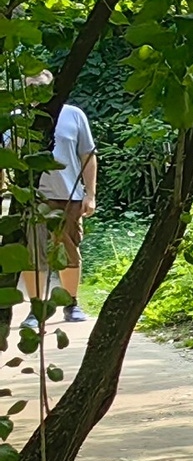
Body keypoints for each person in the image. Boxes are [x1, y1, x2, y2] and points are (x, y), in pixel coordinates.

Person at [15, 71, 96, 324]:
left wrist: (90, 194)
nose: (36, 92)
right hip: (31, 196)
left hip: (68, 194)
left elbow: (88, 155)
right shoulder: (15, 119)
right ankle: (36, 309)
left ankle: (71, 303)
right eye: (31, 87)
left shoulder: (73, 114)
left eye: (41, 87)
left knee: (69, 249)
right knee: (33, 252)